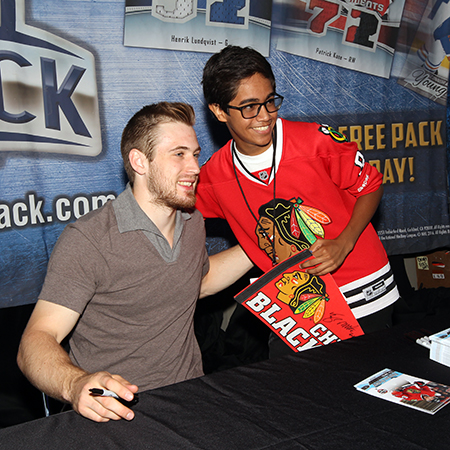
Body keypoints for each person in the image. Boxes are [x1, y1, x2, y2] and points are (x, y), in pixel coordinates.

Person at [17, 102, 253, 423]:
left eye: (195, 154)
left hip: (191, 398)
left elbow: (198, 284)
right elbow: (37, 338)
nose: (196, 167)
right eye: (179, 154)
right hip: (119, 412)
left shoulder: (193, 221)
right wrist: (75, 384)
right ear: (140, 161)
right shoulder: (90, 239)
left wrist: (260, 247)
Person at [196, 46, 400, 356]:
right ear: (219, 111)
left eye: (270, 101)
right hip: (292, 309)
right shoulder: (213, 177)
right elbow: (174, 212)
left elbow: (370, 186)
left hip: (361, 289)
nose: (264, 116)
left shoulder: (315, 140)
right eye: (250, 107)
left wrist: (343, 243)